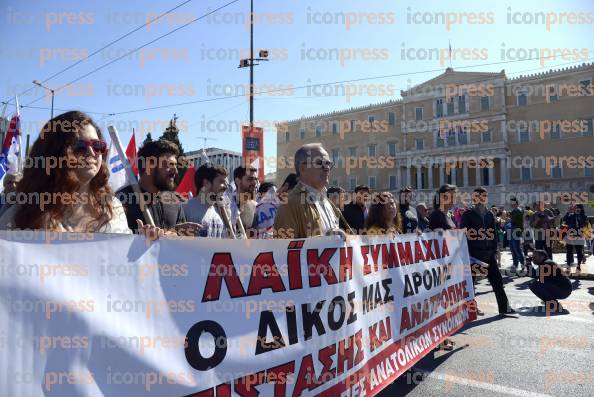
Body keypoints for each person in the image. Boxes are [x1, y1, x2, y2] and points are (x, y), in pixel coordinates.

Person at [0, 111, 161, 238]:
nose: (92, 153)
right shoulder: (20, 213)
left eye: (97, 145)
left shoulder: (114, 207)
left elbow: (123, 265)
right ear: (53, 153)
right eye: (80, 146)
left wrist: (144, 244)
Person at [117, 139, 196, 235]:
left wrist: (176, 234)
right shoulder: (120, 201)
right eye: (170, 165)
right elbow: (112, 244)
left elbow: (179, 246)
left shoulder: (174, 201)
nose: (175, 171)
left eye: (175, 166)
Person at [273, 143, 353, 238]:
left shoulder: (329, 202)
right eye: (319, 163)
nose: (326, 168)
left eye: (328, 163)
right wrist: (324, 241)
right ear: (302, 168)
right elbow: (282, 249)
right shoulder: (290, 204)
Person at [461, 187, 514, 315]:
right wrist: (466, 253)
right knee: (471, 284)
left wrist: (495, 249)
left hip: (489, 252)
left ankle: (504, 308)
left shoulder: (490, 214)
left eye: (484, 196)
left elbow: (493, 233)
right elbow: (463, 234)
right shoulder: (468, 214)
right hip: (474, 253)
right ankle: (469, 310)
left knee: (497, 281)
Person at [183, 164, 231, 238]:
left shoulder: (220, 212)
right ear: (206, 183)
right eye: (222, 182)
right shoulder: (185, 209)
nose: (226, 187)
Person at [232, 166, 259, 237]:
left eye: (256, 179)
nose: (254, 183)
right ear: (238, 181)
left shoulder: (256, 206)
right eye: (250, 179)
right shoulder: (226, 205)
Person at [562, 204, 588, 272]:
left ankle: (578, 266)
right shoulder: (570, 215)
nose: (577, 209)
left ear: (581, 209)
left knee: (579, 252)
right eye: (576, 208)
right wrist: (568, 212)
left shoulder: (584, 216)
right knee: (569, 251)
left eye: (579, 208)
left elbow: (585, 225)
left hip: (579, 236)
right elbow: (564, 220)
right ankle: (568, 266)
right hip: (570, 235)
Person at [509, 197, 525, 271]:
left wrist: (509, 219)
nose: (511, 204)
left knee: (516, 248)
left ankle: (522, 264)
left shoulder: (518, 211)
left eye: (512, 202)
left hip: (516, 231)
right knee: (513, 249)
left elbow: (519, 223)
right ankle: (515, 264)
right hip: (512, 231)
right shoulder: (515, 210)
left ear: (516, 203)